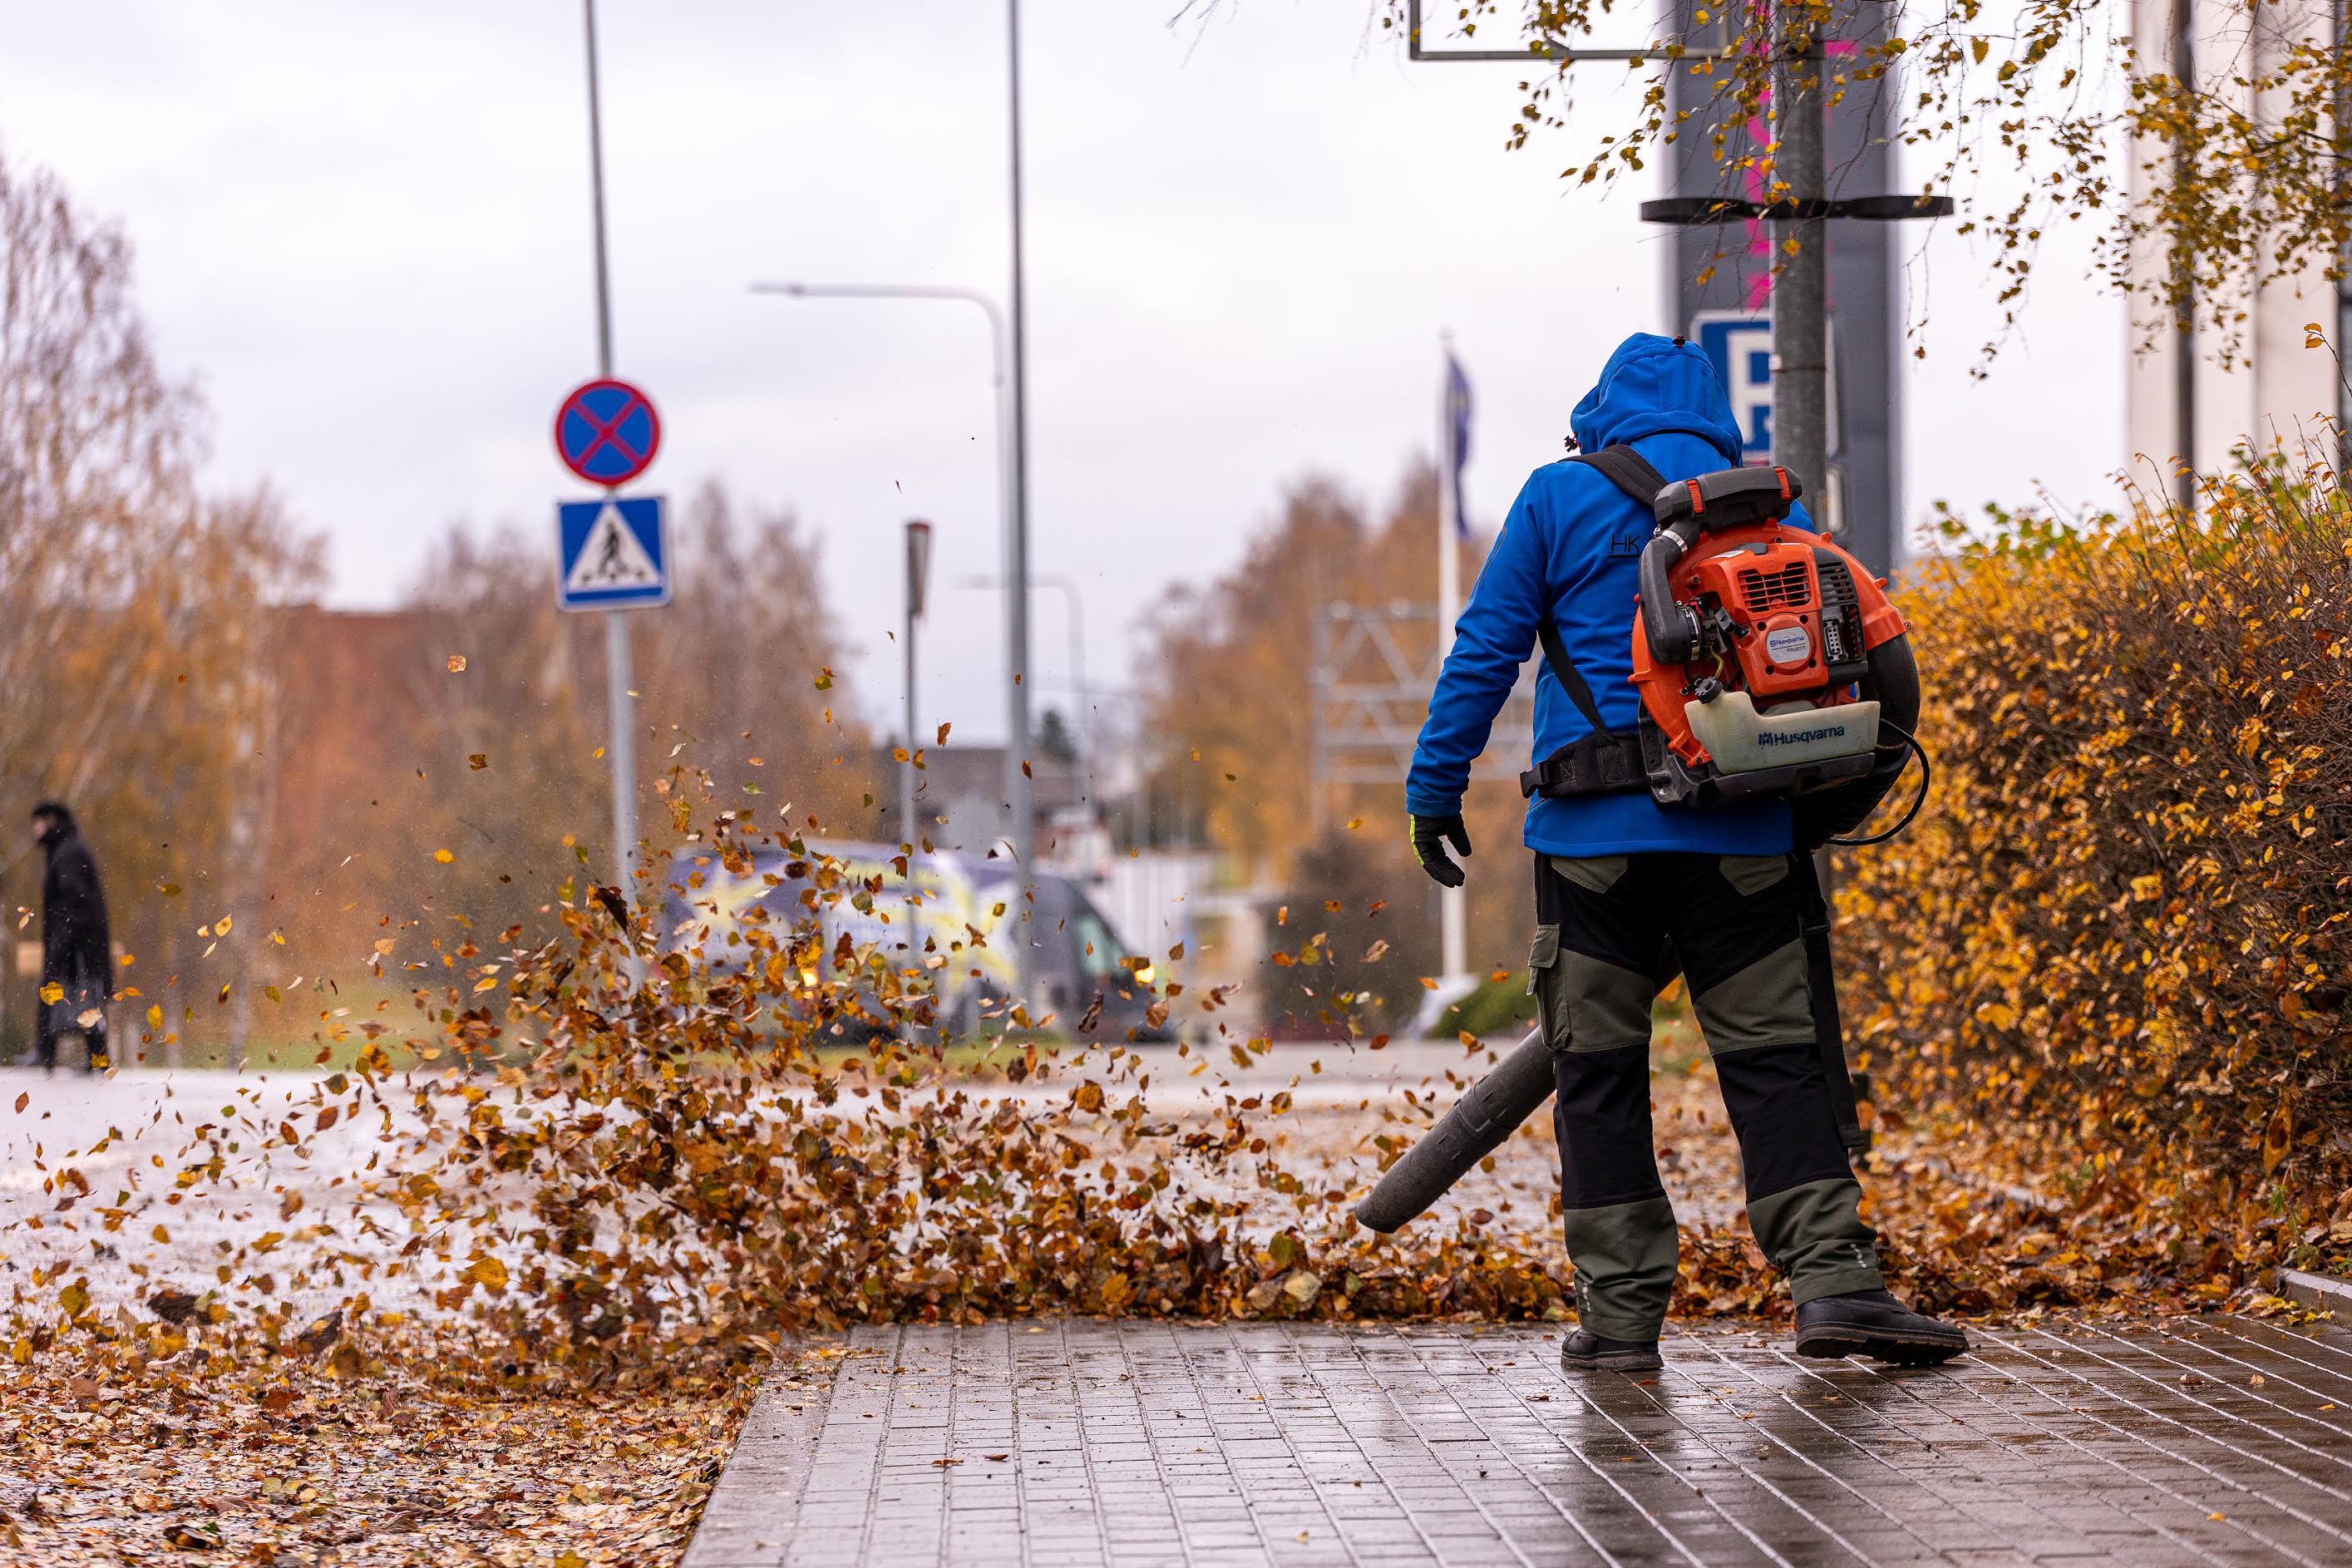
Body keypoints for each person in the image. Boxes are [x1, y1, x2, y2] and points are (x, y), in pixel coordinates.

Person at [1404, 332, 1965, 1371]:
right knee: (1774, 1061)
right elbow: (1882, 662)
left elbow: (1485, 649)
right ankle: (1835, 1284)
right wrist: (1828, 810)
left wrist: (1435, 788)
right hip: (1741, 834)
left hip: (1589, 845)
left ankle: (1620, 1321)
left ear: (1600, 410)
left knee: (1599, 1075)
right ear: (1715, 413)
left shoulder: (1554, 497)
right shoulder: (1763, 509)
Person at [31, 801, 111, 1073]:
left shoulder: (67, 853)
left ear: (52, 821)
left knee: (57, 992)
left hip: (75, 944)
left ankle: (46, 1056)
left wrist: (60, 943)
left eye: (39, 822)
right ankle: (95, 1059)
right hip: (83, 944)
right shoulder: (67, 849)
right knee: (87, 999)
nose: (35, 829)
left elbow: (75, 902)